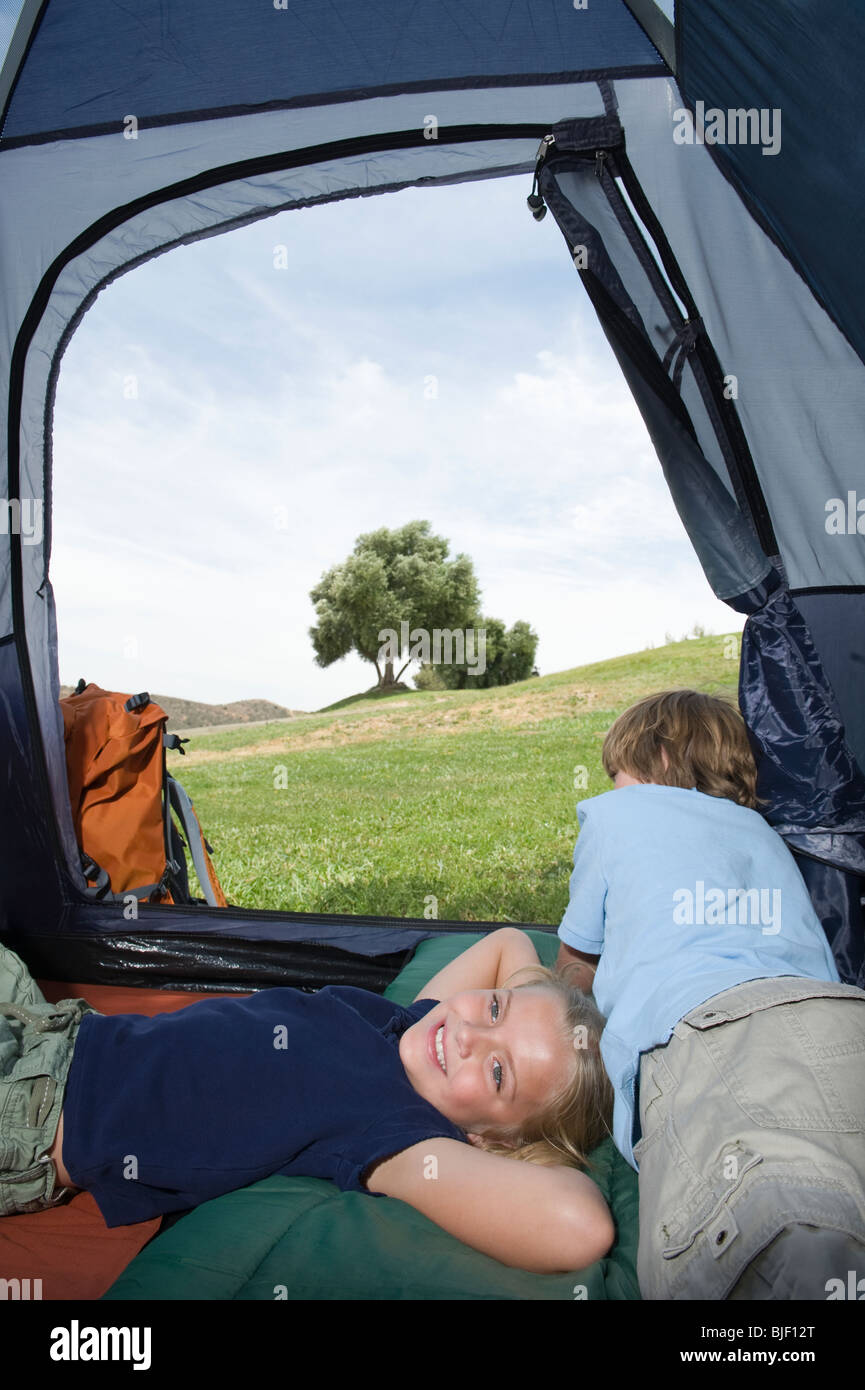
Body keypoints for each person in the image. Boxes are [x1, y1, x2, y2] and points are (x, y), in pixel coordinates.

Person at [0, 926, 614, 1274]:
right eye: (494, 1009)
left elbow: (578, 1225)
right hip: (56, 1026)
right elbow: (509, 943)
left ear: (488, 1139)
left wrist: (517, 1150)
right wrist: (548, 1000)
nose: (471, 1036)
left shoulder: (399, 1137)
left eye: (500, 1073)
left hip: (34, 1107)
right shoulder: (416, 1023)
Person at [555, 688, 865, 1299]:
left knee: (761, 1241)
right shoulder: (763, 832)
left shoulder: (619, 816)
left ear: (661, 758)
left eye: (617, 771)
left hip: (708, 1033)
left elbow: (575, 963)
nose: (614, 785)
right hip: (838, 1018)